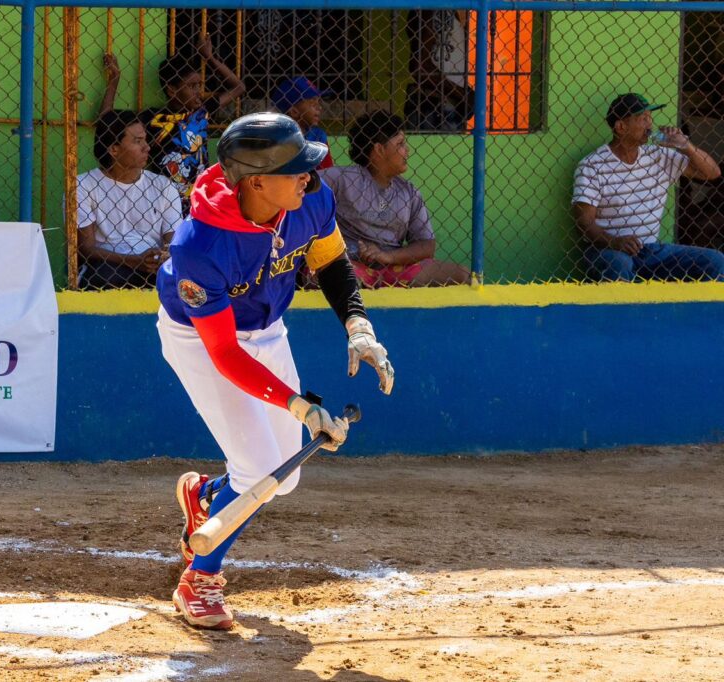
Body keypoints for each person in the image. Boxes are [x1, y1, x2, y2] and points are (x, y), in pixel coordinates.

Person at [156, 112, 395, 630]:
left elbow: (331, 262)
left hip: (267, 328)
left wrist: (358, 325)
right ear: (256, 179)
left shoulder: (311, 199)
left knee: (282, 477)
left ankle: (206, 497)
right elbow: (224, 355)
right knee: (258, 468)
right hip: (201, 340)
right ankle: (200, 580)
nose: (309, 176)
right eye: (296, 168)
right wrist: (302, 405)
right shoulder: (199, 243)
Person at [573, 93, 724, 281]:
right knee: (619, 264)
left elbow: (712, 173)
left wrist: (686, 146)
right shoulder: (592, 165)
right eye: (642, 119)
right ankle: (624, 311)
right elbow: (584, 222)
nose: (649, 124)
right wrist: (615, 242)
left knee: (716, 261)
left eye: (649, 118)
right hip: (609, 250)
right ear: (621, 127)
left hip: (651, 251)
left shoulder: (658, 155)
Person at [321, 111, 470, 287]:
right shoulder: (342, 179)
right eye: (400, 144)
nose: (407, 150)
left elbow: (427, 245)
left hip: (395, 267)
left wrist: (388, 257)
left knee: (464, 274)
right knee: (327, 274)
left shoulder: (409, 192)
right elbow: (305, 188)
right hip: (353, 263)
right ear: (379, 149)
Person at [106, 36, 244, 214]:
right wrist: (114, 80)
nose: (198, 92)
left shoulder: (201, 112)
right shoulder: (153, 118)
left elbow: (238, 87)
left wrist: (209, 57)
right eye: (192, 86)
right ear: (172, 90)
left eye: (199, 85)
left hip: (202, 198)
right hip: (165, 201)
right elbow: (107, 121)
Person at [74, 109, 181, 289]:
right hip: (109, 264)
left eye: (145, 140)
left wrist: (164, 256)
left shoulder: (163, 186)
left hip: (152, 264)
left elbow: (173, 239)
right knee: (103, 277)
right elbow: (87, 249)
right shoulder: (83, 186)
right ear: (114, 149)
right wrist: (133, 261)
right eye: (137, 141)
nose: (146, 147)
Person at [404, 10, 473, 132]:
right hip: (433, 106)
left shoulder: (447, 11)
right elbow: (420, 68)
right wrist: (462, 94)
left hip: (445, 104)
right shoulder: (432, 10)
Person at [271, 76, 334, 170]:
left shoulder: (317, 136)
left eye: (318, 101)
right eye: (313, 103)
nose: (319, 107)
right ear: (294, 112)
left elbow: (326, 173)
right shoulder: (273, 137)